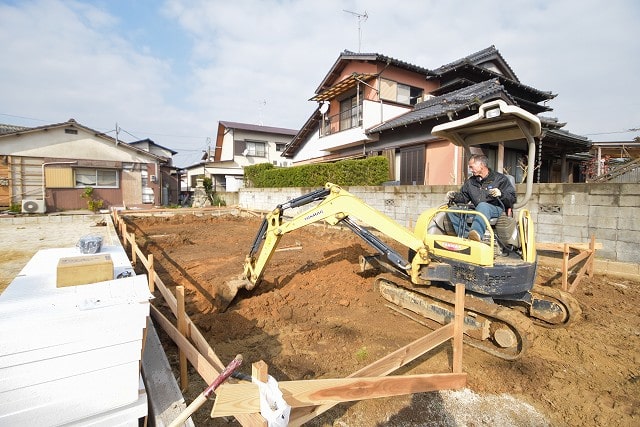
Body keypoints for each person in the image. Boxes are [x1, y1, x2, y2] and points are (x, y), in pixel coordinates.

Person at [446, 154, 516, 241]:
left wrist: (501, 194)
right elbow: (464, 197)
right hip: (477, 209)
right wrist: (454, 196)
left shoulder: (500, 179)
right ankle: (466, 236)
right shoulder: (471, 182)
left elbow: (512, 198)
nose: (470, 170)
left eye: (472, 167)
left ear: (482, 165)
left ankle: (476, 234)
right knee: (452, 210)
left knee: (483, 205)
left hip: (496, 209)